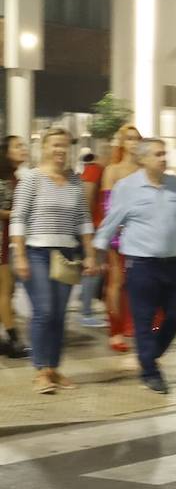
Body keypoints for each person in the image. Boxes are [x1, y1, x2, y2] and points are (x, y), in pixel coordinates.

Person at [94, 139, 176, 394]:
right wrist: (99, 254)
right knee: (143, 321)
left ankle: (149, 354)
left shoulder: (175, 184)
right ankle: (150, 372)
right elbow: (111, 222)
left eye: (165, 154)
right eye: (158, 154)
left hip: (172, 264)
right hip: (141, 265)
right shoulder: (127, 187)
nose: (164, 158)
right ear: (142, 159)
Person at [9, 128, 99, 393]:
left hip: (67, 254)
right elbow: (18, 218)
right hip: (36, 252)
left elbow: (83, 221)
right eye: (55, 145)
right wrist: (21, 255)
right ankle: (40, 370)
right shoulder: (31, 178)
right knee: (44, 311)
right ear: (44, 148)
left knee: (59, 316)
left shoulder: (74, 181)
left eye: (64, 146)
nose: (60, 150)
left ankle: (53, 369)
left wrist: (90, 253)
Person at [101, 123, 142, 353]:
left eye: (136, 138)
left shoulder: (145, 170)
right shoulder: (112, 170)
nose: (133, 143)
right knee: (116, 282)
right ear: (122, 143)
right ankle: (115, 330)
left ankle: (135, 324)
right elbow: (107, 204)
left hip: (143, 234)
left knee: (140, 281)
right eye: (129, 138)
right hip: (118, 232)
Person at [1, 136, 30, 359]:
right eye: (17, 146)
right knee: (5, 288)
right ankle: (13, 339)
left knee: (7, 290)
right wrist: (17, 214)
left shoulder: (16, 178)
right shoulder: (4, 178)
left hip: (6, 239)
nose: (23, 149)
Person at [78, 150, 105, 328]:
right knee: (93, 268)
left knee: (97, 269)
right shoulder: (95, 169)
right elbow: (86, 197)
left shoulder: (100, 169)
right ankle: (86, 312)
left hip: (100, 226)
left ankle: (85, 301)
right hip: (95, 226)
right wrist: (87, 226)